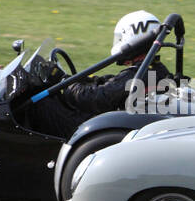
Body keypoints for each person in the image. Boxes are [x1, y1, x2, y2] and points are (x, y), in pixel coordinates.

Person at [31, 11, 175, 137]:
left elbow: (93, 98)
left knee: (41, 104)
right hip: (116, 123)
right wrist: (72, 80)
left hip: (105, 130)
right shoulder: (153, 69)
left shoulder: (140, 74)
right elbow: (107, 83)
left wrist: (64, 80)